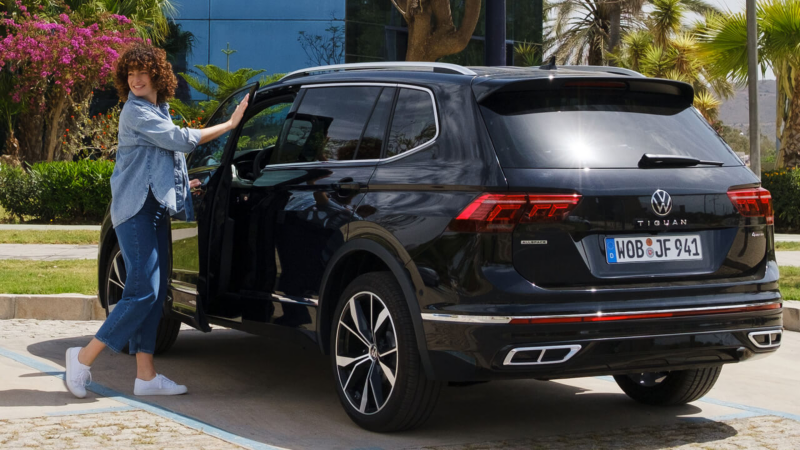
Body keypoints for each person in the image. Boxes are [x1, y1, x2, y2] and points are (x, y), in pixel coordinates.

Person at [64, 43, 248, 398]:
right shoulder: (135, 112)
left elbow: (166, 159)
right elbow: (180, 142)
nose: (135, 80)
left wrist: (184, 183)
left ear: (156, 76)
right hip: (134, 212)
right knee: (143, 290)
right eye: (130, 74)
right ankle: (83, 358)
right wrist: (230, 123)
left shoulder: (159, 109)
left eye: (141, 73)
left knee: (157, 291)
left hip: (155, 208)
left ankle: (146, 376)